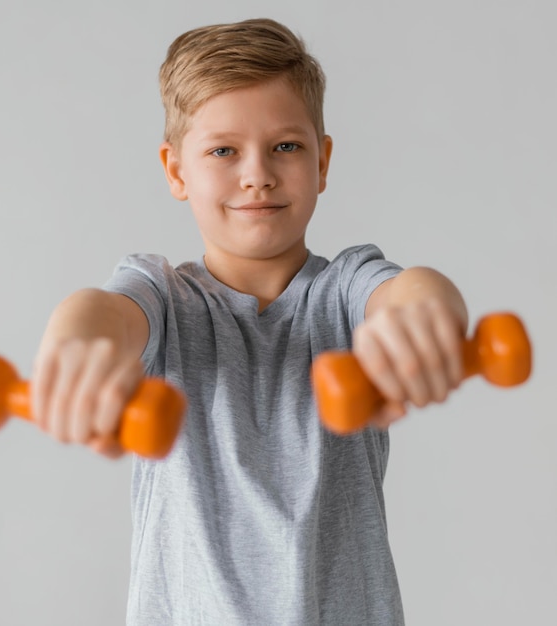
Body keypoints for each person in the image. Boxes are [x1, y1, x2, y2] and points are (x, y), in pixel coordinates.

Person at [32, 18, 468, 625]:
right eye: (223, 150)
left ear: (323, 161)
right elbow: (104, 312)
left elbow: (410, 293)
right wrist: (77, 342)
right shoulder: (163, 296)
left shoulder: (346, 291)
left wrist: (426, 317)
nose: (257, 172)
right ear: (177, 170)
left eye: (286, 146)